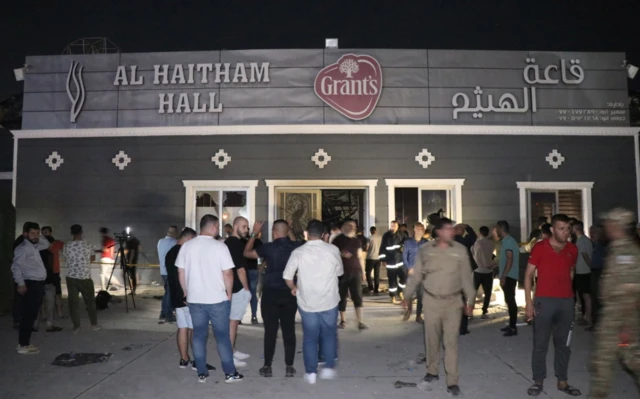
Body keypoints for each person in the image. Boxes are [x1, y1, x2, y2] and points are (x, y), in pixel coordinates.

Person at [403, 218, 475, 397]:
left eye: (452, 229)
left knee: (451, 342)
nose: (452, 232)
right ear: (439, 232)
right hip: (432, 301)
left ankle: (452, 380)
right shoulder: (426, 250)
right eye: (448, 229)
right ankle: (432, 371)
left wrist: (471, 300)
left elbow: (466, 276)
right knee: (432, 340)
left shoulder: (460, 250)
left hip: (453, 303)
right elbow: (416, 274)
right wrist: (407, 295)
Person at [176, 214, 243, 384]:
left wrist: (185, 291)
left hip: (195, 299)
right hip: (217, 299)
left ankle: (201, 372)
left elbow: (180, 271)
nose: (219, 230)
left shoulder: (187, 246)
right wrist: (229, 292)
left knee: (199, 335)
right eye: (218, 227)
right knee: (222, 336)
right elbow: (228, 272)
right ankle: (229, 373)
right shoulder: (220, 247)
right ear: (214, 227)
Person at [524, 214, 581, 397]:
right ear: (553, 230)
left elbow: (571, 271)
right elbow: (528, 275)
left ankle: (562, 381)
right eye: (561, 228)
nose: (566, 232)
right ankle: (538, 380)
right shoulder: (540, 247)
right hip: (544, 300)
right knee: (540, 343)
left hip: (566, 302)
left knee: (564, 344)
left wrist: (568, 294)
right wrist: (529, 303)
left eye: (568, 228)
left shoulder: (573, 249)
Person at [283, 219, 343, 384]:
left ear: (306, 233)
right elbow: (339, 272)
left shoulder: (299, 252)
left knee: (310, 337)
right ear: (324, 234)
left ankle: (311, 373)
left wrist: (293, 287)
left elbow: (287, 276)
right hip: (329, 300)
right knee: (329, 334)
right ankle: (329, 368)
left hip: (307, 302)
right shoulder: (333, 250)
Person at [589, 208, 640, 398]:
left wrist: (626, 325)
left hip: (620, 318)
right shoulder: (616, 248)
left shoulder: (627, 252)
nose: (606, 226)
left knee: (626, 359)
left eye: (609, 223)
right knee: (606, 362)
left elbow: (633, 290)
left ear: (617, 225)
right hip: (613, 316)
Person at [244, 219, 301, 378]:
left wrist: (254, 233)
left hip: (270, 294)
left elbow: (247, 253)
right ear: (286, 231)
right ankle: (289, 366)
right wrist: (289, 229)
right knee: (289, 330)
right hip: (290, 293)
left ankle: (267, 365)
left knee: (270, 331)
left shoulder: (268, 248)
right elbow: (294, 240)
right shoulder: (295, 247)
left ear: (274, 232)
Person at [166, 227, 215, 372]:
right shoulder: (185, 252)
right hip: (189, 296)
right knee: (196, 329)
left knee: (182, 327)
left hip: (176, 297)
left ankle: (184, 358)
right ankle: (198, 362)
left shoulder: (170, 252)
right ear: (188, 239)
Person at [12, 222, 50, 354]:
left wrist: (40, 236)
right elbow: (16, 267)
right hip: (30, 284)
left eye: (37, 233)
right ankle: (23, 345)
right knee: (28, 315)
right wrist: (20, 283)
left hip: (37, 284)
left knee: (32, 315)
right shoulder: (23, 248)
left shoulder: (34, 246)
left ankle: (24, 343)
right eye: (33, 233)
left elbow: (46, 244)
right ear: (25, 234)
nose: (36, 236)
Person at [224, 217, 254, 367]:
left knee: (233, 321)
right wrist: (246, 289)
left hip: (233, 287)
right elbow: (240, 269)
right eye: (244, 227)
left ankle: (233, 350)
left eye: (247, 227)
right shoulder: (234, 244)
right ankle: (230, 356)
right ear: (235, 226)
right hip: (237, 288)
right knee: (233, 322)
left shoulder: (230, 243)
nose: (246, 230)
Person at [63, 224, 99, 333]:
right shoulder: (88, 244)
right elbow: (92, 258)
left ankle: (76, 326)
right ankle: (94, 324)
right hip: (85, 277)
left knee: (73, 303)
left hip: (72, 277)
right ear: (81, 232)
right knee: (90, 302)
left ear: (71, 233)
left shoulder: (67, 245)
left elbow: (66, 257)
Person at [332, 219, 368, 330]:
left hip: (355, 272)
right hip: (341, 273)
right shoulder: (337, 240)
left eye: (354, 226)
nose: (353, 227)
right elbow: (331, 254)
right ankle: (343, 321)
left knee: (357, 296)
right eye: (350, 225)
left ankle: (360, 322)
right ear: (343, 227)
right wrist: (341, 253)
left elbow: (360, 256)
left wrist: (364, 272)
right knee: (342, 297)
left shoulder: (357, 241)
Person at [496, 221, 520, 337]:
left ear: (501, 229)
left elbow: (509, 260)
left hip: (509, 276)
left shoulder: (509, 241)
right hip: (508, 275)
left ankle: (513, 327)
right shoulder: (507, 241)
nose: (496, 231)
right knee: (509, 301)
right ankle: (511, 325)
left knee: (511, 302)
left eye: (497, 229)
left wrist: (504, 276)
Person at [402, 222, 428, 323]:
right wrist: (409, 268)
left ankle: (418, 315)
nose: (422, 230)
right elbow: (404, 257)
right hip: (411, 272)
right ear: (415, 230)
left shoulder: (426, 242)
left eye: (423, 229)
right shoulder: (408, 242)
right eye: (420, 229)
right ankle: (409, 310)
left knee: (421, 295)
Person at [34, 238, 62, 332]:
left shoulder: (34, 252)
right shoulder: (50, 254)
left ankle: (35, 324)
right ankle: (49, 324)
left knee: (37, 302)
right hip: (49, 280)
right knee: (50, 302)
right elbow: (51, 268)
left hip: (37, 280)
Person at [454, 223, 477, 335]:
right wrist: (468, 227)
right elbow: (473, 237)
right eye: (462, 229)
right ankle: (462, 327)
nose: (463, 231)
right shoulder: (461, 241)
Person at [471, 226, 497, 319]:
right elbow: (494, 255)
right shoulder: (491, 243)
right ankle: (484, 311)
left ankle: (470, 311)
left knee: (473, 291)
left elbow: (475, 255)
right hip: (489, 271)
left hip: (478, 270)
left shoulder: (477, 243)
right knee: (488, 292)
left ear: (480, 233)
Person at [572, 221, 593, 327]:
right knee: (583, 295)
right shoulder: (585, 240)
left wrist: (591, 267)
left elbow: (585, 255)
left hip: (584, 271)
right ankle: (586, 315)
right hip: (582, 271)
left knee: (586, 295)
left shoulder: (581, 241)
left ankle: (588, 316)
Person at [586, 225, 606, 332]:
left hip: (600, 272)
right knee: (594, 298)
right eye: (591, 232)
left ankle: (598, 324)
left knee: (598, 298)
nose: (592, 234)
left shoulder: (603, 245)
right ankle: (596, 323)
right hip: (595, 272)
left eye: (595, 232)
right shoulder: (595, 244)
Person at [380, 221, 406, 304]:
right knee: (392, 280)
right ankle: (393, 296)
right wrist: (383, 259)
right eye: (392, 225)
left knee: (405, 277)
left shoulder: (402, 235)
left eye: (395, 226)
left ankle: (400, 291)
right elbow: (382, 247)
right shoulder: (386, 235)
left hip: (400, 261)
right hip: (390, 261)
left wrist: (403, 247)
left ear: (398, 226)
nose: (393, 227)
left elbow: (408, 244)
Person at [41, 226, 64, 318]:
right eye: (43, 232)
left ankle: (59, 311)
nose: (45, 234)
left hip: (54, 271)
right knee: (42, 294)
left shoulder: (56, 242)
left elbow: (63, 245)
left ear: (50, 232)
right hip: (43, 271)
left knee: (57, 293)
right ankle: (43, 313)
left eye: (46, 232)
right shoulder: (39, 243)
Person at [157, 225, 178, 324]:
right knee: (169, 293)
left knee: (167, 292)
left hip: (162, 271)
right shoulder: (174, 242)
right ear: (174, 233)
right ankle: (167, 314)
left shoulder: (160, 241)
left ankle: (164, 313)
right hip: (170, 271)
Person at [245, 232, 263, 324]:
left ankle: (238, 317)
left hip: (244, 270)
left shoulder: (241, 241)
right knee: (252, 294)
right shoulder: (257, 241)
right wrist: (262, 265)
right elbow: (264, 253)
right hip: (252, 269)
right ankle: (254, 316)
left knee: (242, 294)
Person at [365, 226, 382, 295]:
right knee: (377, 275)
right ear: (376, 230)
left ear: (371, 231)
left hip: (370, 258)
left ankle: (371, 288)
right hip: (378, 258)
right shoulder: (380, 238)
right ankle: (376, 290)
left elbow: (366, 247)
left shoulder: (369, 238)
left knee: (368, 273)